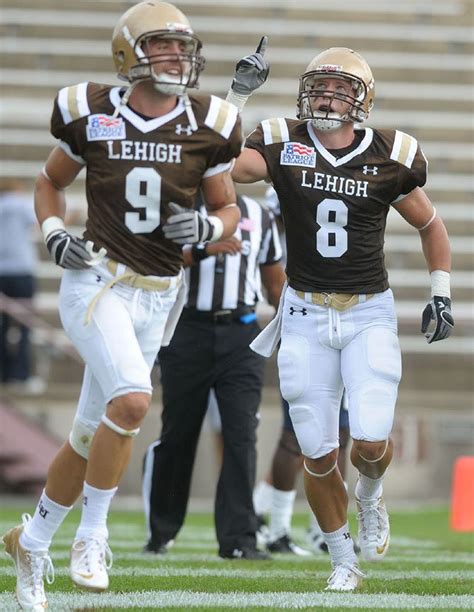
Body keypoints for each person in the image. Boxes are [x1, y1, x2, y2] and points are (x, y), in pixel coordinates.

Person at [2, 2, 243, 609]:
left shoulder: (211, 122)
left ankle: (31, 540)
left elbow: (229, 210)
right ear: (128, 55)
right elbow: (49, 181)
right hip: (98, 284)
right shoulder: (89, 112)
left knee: (89, 436)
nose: (177, 59)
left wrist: (209, 229)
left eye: (183, 49)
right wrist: (54, 229)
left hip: (160, 296)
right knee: (133, 400)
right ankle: (92, 535)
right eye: (163, 47)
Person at [226, 44, 454, 590]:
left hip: (367, 312)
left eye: (341, 89)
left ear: (362, 99)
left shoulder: (390, 154)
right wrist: (237, 95)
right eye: (320, 87)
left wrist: (440, 291)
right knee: (318, 453)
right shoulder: (284, 141)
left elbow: (431, 224)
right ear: (305, 93)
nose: (328, 97)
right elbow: (226, 164)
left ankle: (371, 497)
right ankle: (342, 560)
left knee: (370, 443)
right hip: (304, 313)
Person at [142, 191, 286, 560]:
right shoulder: (179, 205)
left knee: (241, 434)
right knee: (178, 432)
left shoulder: (260, 214)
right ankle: (161, 531)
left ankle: (239, 538)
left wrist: (292, 328)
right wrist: (206, 249)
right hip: (186, 328)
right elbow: (155, 261)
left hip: (242, 332)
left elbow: (273, 283)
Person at [0, 179, 38, 386]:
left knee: (2, 326)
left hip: (1, 272)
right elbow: (41, 223)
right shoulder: (21, 203)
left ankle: (4, 374)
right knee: (24, 326)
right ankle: (21, 374)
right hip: (22, 271)